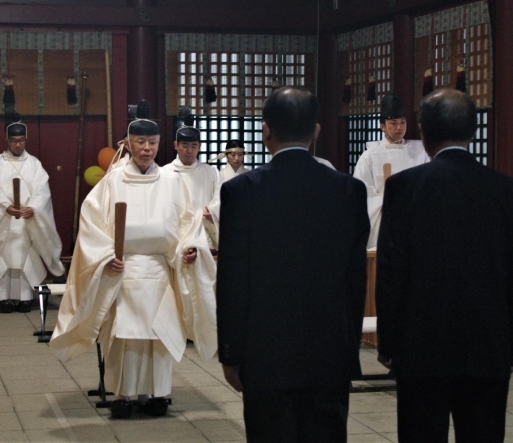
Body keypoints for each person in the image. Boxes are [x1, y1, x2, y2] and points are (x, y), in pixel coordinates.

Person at [217, 87, 369, 442]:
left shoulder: (242, 191)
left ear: (265, 130)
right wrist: (350, 346)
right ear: (316, 131)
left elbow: (233, 279)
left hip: (264, 350)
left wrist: (231, 352)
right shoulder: (348, 190)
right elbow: (355, 279)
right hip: (329, 349)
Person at [50, 118, 217, 419]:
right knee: (124, 337)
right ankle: (123, 394)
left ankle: (155, 394)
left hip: (159, 268)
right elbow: (91, 225)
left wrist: (188, 250)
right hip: (123, 271)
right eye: (140, 142)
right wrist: (104, 256)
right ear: (129, 144)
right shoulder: (113, 181)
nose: (147, 148)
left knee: (159, 334)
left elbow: (187, 223)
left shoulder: (172, 181)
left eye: (152, 142)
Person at [376, 89, 513, 443]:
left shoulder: (406, 187)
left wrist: (388, 342)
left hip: (421, 345)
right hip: (488, 345)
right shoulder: (503, 189)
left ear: (423, 130)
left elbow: (391, 272)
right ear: (473, 130)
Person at [0, 113, 64, 313]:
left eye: (21, 141)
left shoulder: (34, 164)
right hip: (4, 220)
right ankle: (5, 298)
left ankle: (25, 297)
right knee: (4, 258)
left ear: (25, 140)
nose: (18, 145)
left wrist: (34, 208)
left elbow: (42, 190)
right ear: (6, 140)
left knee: (24, 257)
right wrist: (4, 206)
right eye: (13, 141)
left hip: (27, 221)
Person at [353, 94, 429, 248]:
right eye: (393, 123)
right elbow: (359, 191)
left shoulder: (420, 151)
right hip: (383, 219)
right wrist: (384, 201)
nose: (399, 128)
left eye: (402, 122)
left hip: (415, 217)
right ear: (382, 126)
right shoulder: (370, 156)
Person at [162, 126, 222, 249]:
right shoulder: (164, 173)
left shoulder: (211, 172)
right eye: (185, 145)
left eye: (194, 146)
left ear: (200, 146)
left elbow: (222, 196)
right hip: (176, 237)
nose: (189, 150)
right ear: (175, 145)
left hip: (204, 236)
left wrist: (214, 212)